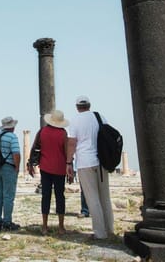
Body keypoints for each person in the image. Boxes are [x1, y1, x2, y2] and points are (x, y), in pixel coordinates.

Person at [66, 96, 113, 239]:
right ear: (89, 105)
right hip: (101, 161)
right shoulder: (100, 117)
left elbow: (72, 143)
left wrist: (69, 162)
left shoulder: (75, 120)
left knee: (92, 198)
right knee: (105, 197)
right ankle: (109, 229)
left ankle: (100, 233)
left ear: (77, 107)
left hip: (85, 162)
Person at [27, 110, 70, 235]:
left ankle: (44, 226)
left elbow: (34, 147)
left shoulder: (42, 131)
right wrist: (69, 166)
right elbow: (67, 152)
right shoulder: (63, 133)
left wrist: (30, 164)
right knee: (60, 196)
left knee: (45, 196)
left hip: (45, 168)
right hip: (60, 168)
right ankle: (61, 227)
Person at [0, 116, 21, 231]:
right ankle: (7, 222)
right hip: (8, 168)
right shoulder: (12, 137)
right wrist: (17, 167)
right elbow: (16, 154)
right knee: (8, 196)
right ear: (12, 127)